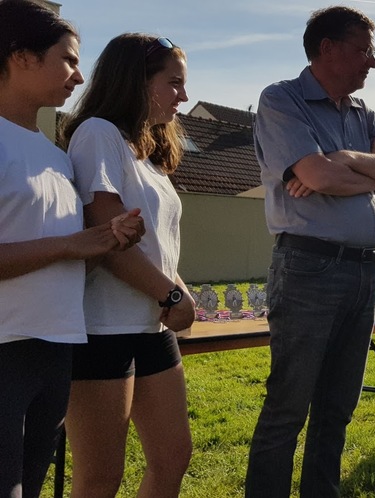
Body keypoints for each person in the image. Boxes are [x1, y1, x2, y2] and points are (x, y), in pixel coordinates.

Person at [245, 6, 375, 497]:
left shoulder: (363, 113)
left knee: (337, 409)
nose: (373, 62)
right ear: (328, 49)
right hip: (308, 268)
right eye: (364, 51)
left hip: (362, 272)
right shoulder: (282, 100)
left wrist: (342, 160)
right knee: (288, 407)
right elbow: (316, 176)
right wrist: (362, 171)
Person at [0, 2, 143, 496]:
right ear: (22, 56)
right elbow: (61, 248)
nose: (79, 78)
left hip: (56, 348)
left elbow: (67, 257)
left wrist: (107, 241)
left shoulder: (56, 157)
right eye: (68, 60)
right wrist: (71, 244)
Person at [62, 32, 196, 497]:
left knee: (173, 457)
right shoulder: (98, 133)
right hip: (102, 329)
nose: (184, 96)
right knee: (100, 477)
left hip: (151, 328)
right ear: (137, 81)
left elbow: (154, 243)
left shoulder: (149, 155)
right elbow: (108, 234)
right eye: (174, 82)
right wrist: (171, 294)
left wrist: (178, 291)